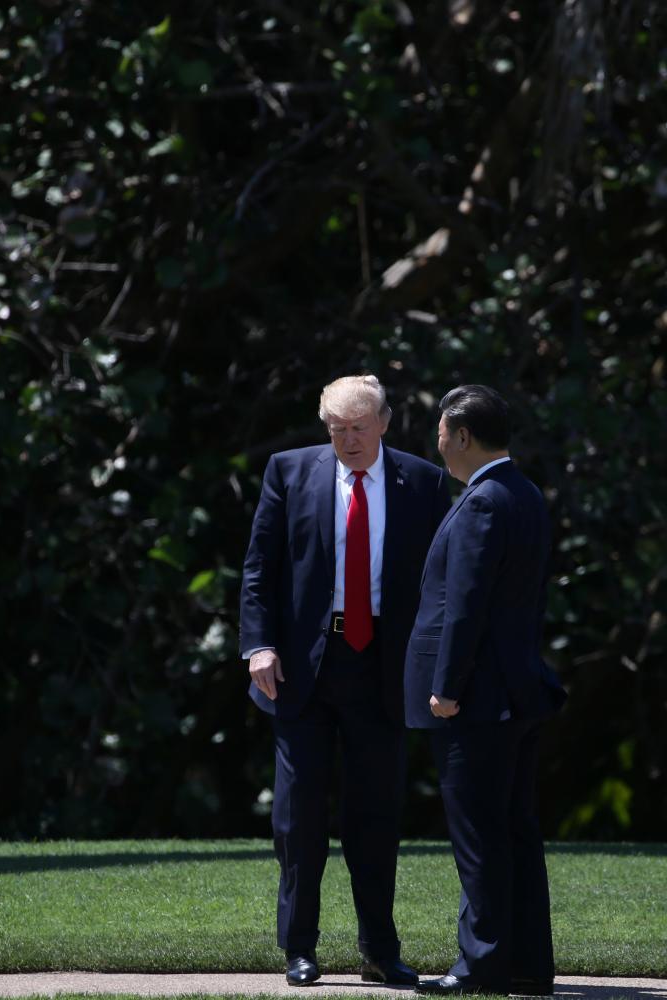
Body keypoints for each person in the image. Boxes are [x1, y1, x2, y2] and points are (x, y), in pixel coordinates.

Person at [241, 374, 453, 987]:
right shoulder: (289, 470)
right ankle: (299, 948)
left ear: (384, 421)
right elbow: (260, 567)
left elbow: (438, 583)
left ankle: (380, 951)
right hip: (302, 666)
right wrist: (258, 644)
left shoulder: (423, 481)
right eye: (337, 428)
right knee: (298, 813)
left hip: (383, 664)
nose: (348, 439)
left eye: (359, 427)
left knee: (376, 813)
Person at [404, 384, 567, 996]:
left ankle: (481, 966)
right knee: (515, 829)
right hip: (519, 689)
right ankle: (526, 964)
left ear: (462, 435)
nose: (437, 441)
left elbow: (464, 606)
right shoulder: (523, 493)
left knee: (478, 835)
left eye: (442, 431)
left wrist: (446, 687)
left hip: (477, 698)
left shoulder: (481, 503)